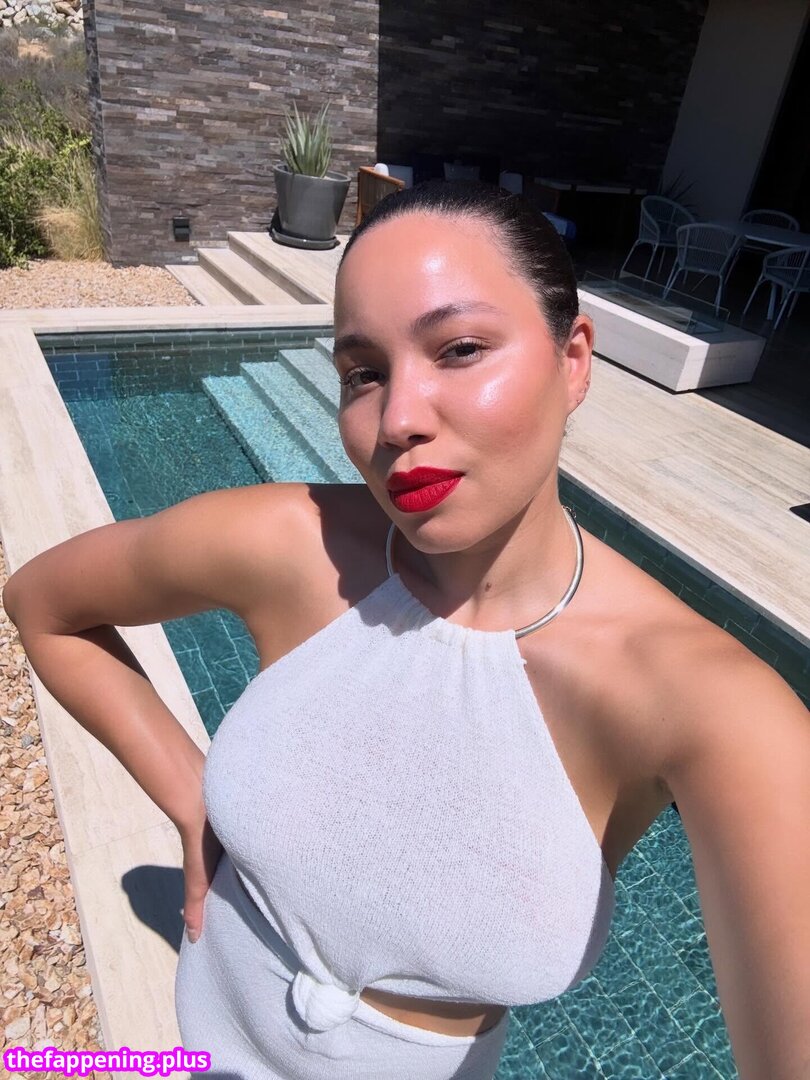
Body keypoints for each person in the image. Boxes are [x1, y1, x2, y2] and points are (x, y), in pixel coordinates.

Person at [3, 180, 808, 1080]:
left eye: (459, 349)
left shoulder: (702, 703)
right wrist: (194, 802)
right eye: (363, 373)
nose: (398, 420)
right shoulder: (292, 547)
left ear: (574, 360)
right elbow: (43, 605)